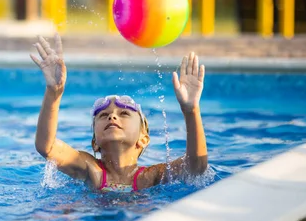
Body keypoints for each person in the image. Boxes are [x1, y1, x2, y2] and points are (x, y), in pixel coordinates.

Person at [30, 34, 208, 192]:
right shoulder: (91, 169)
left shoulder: (152, 176)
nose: (112, 116)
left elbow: (196, 167)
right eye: (103, 115)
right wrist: (54, 92)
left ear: (143, 138)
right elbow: (47, 147)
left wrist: (191, 110)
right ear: (95, 143)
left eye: (123, 114)